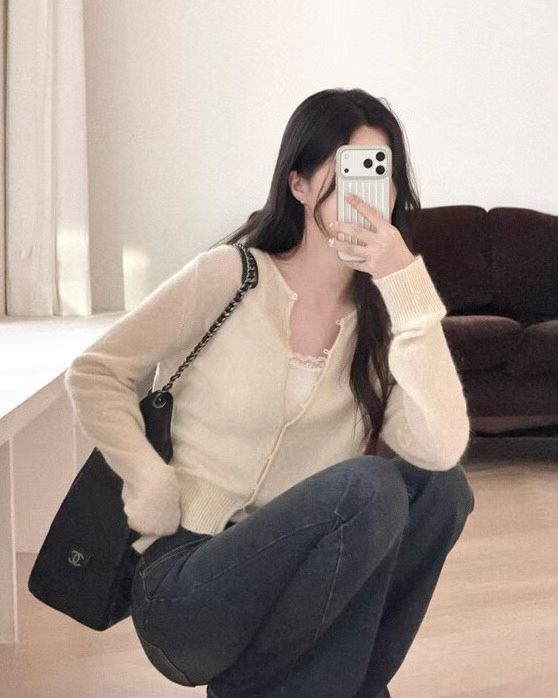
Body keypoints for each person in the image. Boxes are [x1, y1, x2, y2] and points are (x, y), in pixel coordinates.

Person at [64, 87, 475, 698]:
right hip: (189, 580)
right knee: (368, 487)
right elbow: (95, 373)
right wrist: (148, 477)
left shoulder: (383, 324)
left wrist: (404, 283)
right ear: (299, 184)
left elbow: (440, 450)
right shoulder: (230, 276)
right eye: (345, 171)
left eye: (380, 173)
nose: (366, 193)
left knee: (443, 490)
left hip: (298, 587)